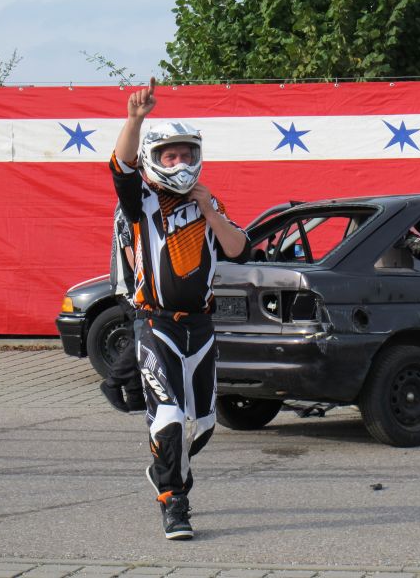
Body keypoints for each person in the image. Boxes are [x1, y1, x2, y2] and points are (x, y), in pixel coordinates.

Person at [111, 77, 248, 539]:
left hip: (202, 327)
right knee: (168, 415)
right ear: (155, 158)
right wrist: (135, 119)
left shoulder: (209, 201)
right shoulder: (142, 200)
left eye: (187, 154)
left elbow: (238, 249)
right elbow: (121, 165)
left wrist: (210, 211)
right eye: (171, 156)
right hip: (155, 324)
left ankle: (166, 471)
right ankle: (173, 500)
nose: (181, 162)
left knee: (204, 424)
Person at [99, 203, 145, 413]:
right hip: (131, 284)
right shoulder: (128, 206)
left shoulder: (131, 203)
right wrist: (144, 281)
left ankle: (135, 397)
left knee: (135, 334)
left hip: (129, 283)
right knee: (145, 335)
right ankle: (112, 382)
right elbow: (130, 250)